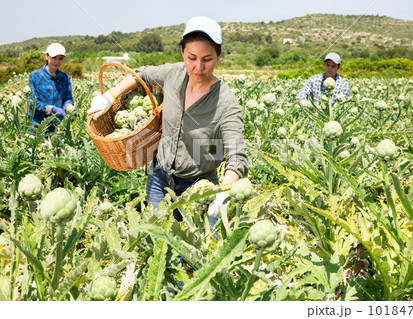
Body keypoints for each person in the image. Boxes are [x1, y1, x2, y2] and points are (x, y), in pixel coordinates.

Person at [88, 16, 248, 225]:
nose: (198, 67)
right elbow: (141, 74)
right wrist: (110, 97)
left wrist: (224, 190)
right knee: (162, 247)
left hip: (200, 188)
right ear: (182, 52)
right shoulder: (174, 74)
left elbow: (238, 156)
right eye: (191, 57)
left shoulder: (226, 102)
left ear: (218, 56)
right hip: (159, 178)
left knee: (206, 251)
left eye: (207, 59)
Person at [28, 43, 75, 133]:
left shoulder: (65, 77)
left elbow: (68, 98)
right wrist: (52, 109)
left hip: (57, 128)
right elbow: (33, 102)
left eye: (60, 59)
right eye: (54, 58)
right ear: (47, 56)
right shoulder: (35, 76)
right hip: (38, 126)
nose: (57, 62)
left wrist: (68, 106)